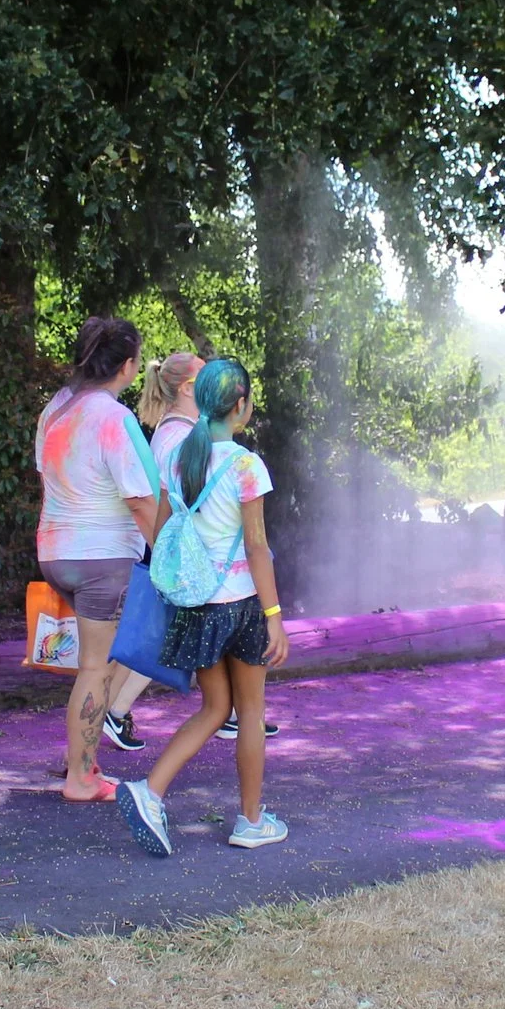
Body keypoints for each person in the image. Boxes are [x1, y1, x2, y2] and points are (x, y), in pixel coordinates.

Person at [119, 359, 291, 856]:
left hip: (197, 604)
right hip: (241, 606)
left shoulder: (179, 461)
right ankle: (251, 821)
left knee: (215, 708)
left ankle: (149, 791)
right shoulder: (245, 465)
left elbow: (168, 531)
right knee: (250, 713)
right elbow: (257, 548)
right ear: (240, 406)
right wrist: (275, 617)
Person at [36, 317, 161, 802]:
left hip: (56, 552)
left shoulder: (56, 408)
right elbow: (139, 500)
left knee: (95, 664)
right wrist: (170, 556)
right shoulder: (112, 416)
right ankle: (81, 778)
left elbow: (46, 475)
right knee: (96, 667)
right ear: (127, 366)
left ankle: (78, 758)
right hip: (103, 558)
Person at [101, 350, 205, 754]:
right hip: (173, 545)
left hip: (164, 542)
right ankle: (117, 710)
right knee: (164, 632)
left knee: (152, 629)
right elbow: (182, 494)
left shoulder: (170, 430)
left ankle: (115, 710)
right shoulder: (180, 436)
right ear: (188, 388)